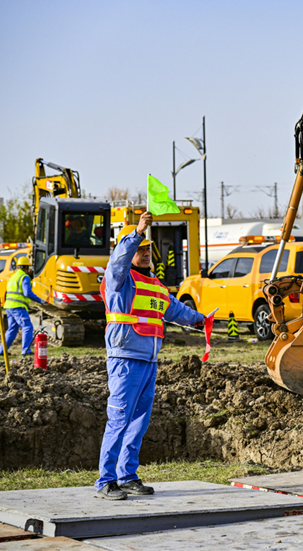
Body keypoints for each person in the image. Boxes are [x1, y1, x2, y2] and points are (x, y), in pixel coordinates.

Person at [95, 211, 204, 501]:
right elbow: (118, 259)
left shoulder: (154, 284)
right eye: (140, 250)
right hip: (125, 359)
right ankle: (106, 481)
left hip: (148, 361)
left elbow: (175, 310)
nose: (145, 254)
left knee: (138, 422)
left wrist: (199, 319)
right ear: (129, 251)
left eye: (147, 251)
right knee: (119, 419)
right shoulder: (119, 279)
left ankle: (127, 476)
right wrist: (139, 231)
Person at [0, 256, 45, 358]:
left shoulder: (13, 277)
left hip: (9, 307)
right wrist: (40, 300)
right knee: (27, 327)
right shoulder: (24, 277)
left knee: (12, 329)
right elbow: (27, 292)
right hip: (18, 307)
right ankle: (26, 350)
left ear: (18, 267)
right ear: (27, 268)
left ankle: (2, 350)